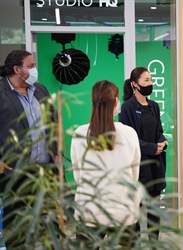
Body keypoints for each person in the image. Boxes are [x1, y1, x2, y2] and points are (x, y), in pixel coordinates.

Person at [0, 49, 58, 246]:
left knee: (50, 224)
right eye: (31, 66)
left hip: (44, 170)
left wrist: (56, 151)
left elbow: (53, 121)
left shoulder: (41, 90)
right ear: (17, 69)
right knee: (16, 228)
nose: (35, 69)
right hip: (13, 172)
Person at [71, 80, 141, 248]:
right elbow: (134, 176)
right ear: (117, 102)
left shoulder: (80, 134)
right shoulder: (129, 133)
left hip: (89, 212)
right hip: (123, 212)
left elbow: (78, 176)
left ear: (92, 102)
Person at [119, 67, 168, 241]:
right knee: (136, 210)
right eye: (146, 80)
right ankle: (135, 243)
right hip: (138, 166)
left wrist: (162, 141)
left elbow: (159, 130)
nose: (150, 83)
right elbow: (128, 138)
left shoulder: (154, 106)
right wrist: (151, 148)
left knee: (154, 209)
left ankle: (155, 243)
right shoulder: (127, 108)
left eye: (151, 80)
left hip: (156, 164)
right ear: (135, 84)